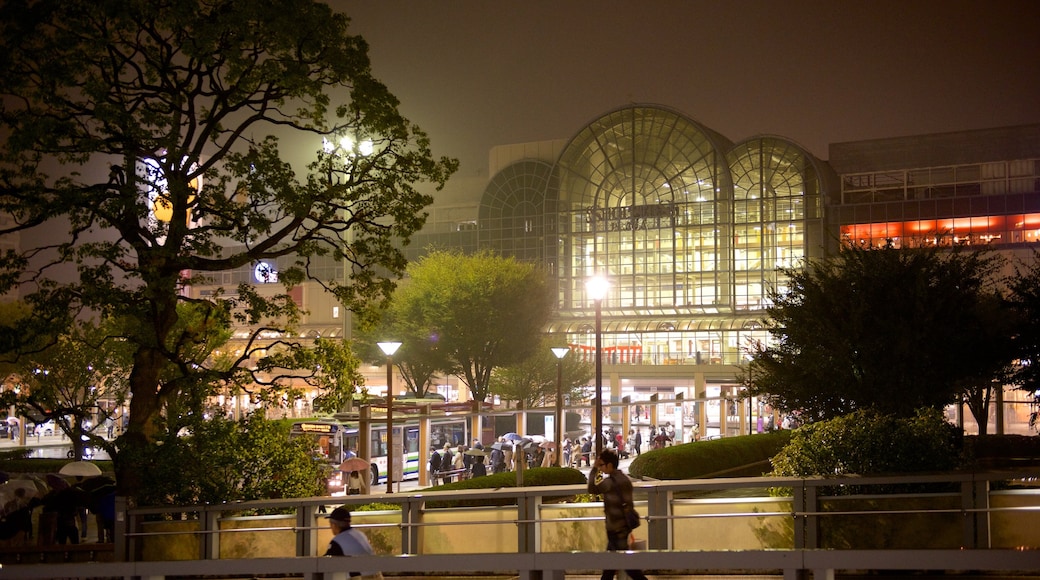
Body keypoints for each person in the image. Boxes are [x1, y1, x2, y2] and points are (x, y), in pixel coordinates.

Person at [587, 448, 648, 580]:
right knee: (611, 564)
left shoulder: (609, 483)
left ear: (609, 465)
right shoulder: (625, 480)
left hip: (615, 528)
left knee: (626, 566)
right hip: (624, 527)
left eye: (602, 465)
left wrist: (594, 469)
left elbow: (591, 488)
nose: (601, 468)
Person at [323, 507, 383, 579]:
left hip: (361, 577)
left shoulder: (337, 541)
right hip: (377, 575)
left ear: (334, 525)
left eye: (330, 523)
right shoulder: (359, 534)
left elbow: (324, 562)